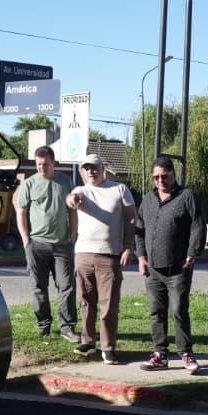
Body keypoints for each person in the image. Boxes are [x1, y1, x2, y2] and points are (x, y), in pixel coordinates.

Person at [134, 155, 206, 374]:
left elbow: (198, 226)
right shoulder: (148, 199)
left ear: (173, 174)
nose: (160, 180)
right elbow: (139, 231)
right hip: (152, 269)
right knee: (156, 312)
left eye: (164, 176)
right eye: (156, 177)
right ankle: (160, 354)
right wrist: (141, 257)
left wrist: (192, 253)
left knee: (178, 310)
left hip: (178, 268)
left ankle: (186, 353)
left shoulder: (187, 196)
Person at [65, 154, 136, 363]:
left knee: (109, 305)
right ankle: (88, 342)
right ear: (82, 172)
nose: (91, 172)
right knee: (86, 302)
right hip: (83, 254)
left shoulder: (119, 189)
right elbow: (71, 198)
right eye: (86, 168)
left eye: (94, 167)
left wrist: (128, 247)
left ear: (103, 168)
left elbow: (131, 218)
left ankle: (108, 347)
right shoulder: (81, 190)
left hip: (110, 255)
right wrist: (71, 199)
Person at [15, 146, 79, 343]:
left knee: (67, 286)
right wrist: (26, 239)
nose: (41, 168)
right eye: (38, 164)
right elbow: (21, 212)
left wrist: (73, 235)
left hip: (62, 245)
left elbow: (72, 211)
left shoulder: (65, 182)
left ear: (54, 163)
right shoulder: (29, 184)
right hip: (37, 244)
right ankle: (43, 325)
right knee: (38, 287)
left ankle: (67, 328)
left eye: (45, 164)